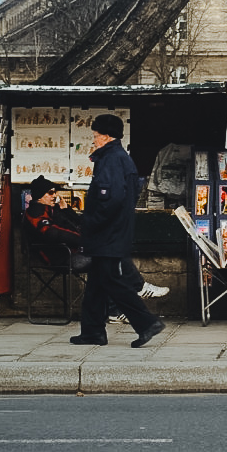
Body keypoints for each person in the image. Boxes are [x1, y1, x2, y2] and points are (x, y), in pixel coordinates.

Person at [70, 115, 165, 348]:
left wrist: (91, 223)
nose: (93, 140)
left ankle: (146, 323)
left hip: (107, 234)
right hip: (111, 233)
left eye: (94, 135)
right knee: (96, 286)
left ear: (106, 136)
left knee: (114, 282)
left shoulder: (112, 159)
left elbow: (109, 199)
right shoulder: (118, 158)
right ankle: (92, 332)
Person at [23, 174, 169, 317]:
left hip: (74, 252)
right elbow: (52, 233)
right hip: (63, 258)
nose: (54, 196)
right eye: (50, 193)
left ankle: (117, 309)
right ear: (40, 196)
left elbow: (79, 225)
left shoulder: (54, 210)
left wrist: (66, 210)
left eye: (55, 192)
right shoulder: (36, 212)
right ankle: (136, 291)